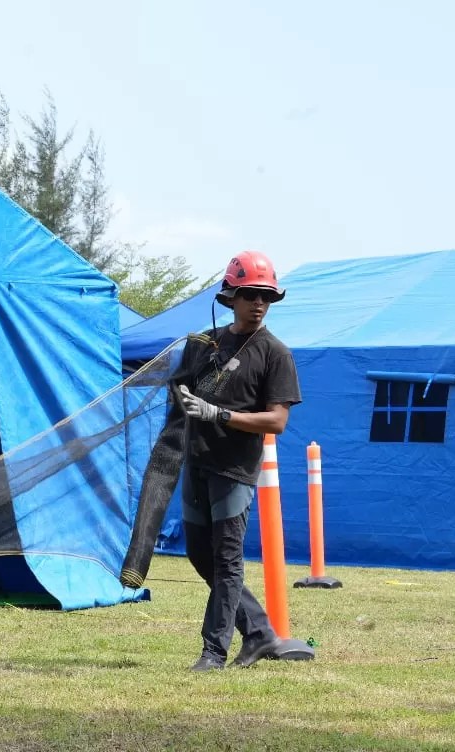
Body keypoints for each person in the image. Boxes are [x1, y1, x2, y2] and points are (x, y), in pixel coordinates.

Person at [173, 250, 302, 672]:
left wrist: (221, 415)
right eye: (250, 294)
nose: (259, 302)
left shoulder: (275, 353)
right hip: (196, 461)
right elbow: (183, 388)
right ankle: (261, 633)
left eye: (266, 295)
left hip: (235, 469)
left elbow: (278, 420)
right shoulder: (205, 343)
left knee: (227, 561)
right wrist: (184, 396)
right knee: (200, 555)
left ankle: (214, 652)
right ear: (230, 297)